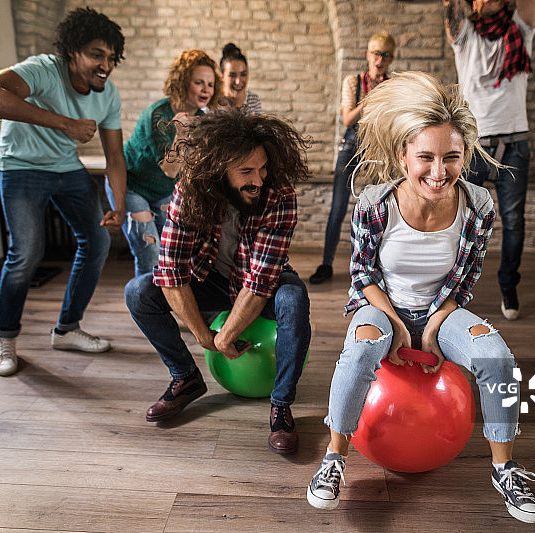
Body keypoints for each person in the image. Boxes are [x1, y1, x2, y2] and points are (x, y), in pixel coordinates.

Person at [306, 72, 535, 524]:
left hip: (443, 309)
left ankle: (505, 469)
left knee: (499, 359)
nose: (439, 172)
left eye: (451, 158)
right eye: (426, 158)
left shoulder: (479, 207)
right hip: (379, 306)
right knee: (359, 354)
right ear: (404, 156)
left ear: (465, 157)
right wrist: (396, 324)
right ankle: (333, 460)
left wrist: (434, 325)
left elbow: (465, 279)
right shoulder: (375, 204)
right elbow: (362, 275)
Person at [124, 110, 312, 455]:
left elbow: (259, 281)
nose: (259, 179)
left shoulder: (280, 195)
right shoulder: (190, 191)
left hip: (261, 281)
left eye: (263, 168)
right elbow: (170, 271)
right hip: (208, 278)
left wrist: (225, 336)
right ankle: (186, 378)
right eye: (246, 171)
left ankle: (281, 404)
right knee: (139, 292)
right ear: (219, 169)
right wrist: (204, 337)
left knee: (294, 299)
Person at [0, 7, 127, 377]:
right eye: (96, 54)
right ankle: (5, 337)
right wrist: (65, 124)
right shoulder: (43, 70)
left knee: (97, 240)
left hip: (64, 167)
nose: (105, 64)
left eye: (111, 57)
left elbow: (115, 157)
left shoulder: (108, 96)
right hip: (22, 165)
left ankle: (67, 329)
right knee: (26, 252)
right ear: (72, 51)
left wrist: (118, 206)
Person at [442, 0, 535, 320]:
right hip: (474, 145)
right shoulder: (466, 34)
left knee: (513, 223)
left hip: (514, 144)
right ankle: (452, 289)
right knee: (459, 219)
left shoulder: (520, 32)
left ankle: (508, 285)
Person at [107, 50, 221, 277]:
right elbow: (170, 170)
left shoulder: (202, 117)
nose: (206, 89)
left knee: (172, 253)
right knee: (150, 253)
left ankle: (164, 305)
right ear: (182, 83)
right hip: (131, 186)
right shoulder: (157, 115)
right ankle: (145, 309)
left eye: (210, 83)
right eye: (199, 82)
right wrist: (181, 134)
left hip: (163, 192)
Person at [309, 31, 396, 285]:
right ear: (368, 55)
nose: (380, 60)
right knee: (337, 209)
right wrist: (373, 97)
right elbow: (348, 119)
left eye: (386, 55)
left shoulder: (394, 85)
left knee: (382, 208)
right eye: (376, 53)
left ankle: (377, 267)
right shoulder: (353, 82)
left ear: (391, 59)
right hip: (351, 146)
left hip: (379, 148)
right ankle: (326, 264)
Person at [219, 43, 261, 115]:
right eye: (232, 75)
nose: (238, 82)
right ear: (222, 76)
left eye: (243, 74)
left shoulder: (253, 100)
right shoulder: (213, 100)